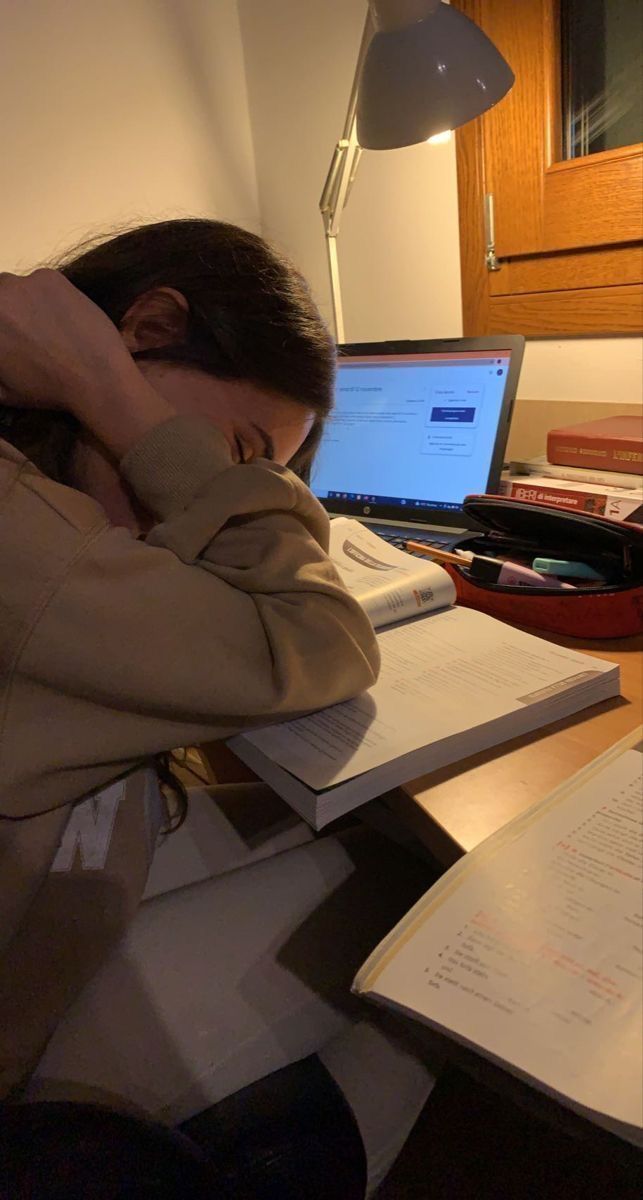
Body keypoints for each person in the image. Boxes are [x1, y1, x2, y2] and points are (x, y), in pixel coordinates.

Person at [0, 220, 439, 1196]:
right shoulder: (34, 541)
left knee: (369, 866)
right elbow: (318, 635)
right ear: (146, 324)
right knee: (415, 932)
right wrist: (113, 393)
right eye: (230, 451)